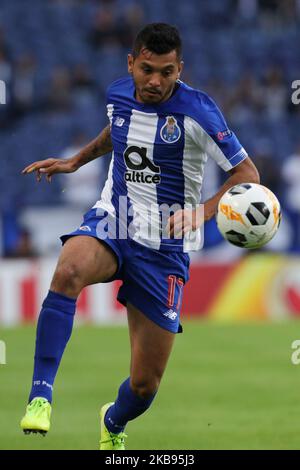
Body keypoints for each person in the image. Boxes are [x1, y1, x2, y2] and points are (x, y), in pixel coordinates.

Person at [20, 23, 259, 450]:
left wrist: (201, 213)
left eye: (167, 72)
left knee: (145, 385)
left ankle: (112, 421)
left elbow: (247, 174)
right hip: (115, 221)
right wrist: (76, 161)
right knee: (69, 268)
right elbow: (118, 130)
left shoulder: (199, 112)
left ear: (179, 69)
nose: (155, 81)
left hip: (165, 249)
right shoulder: (117, 94)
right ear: (131, 64)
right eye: (147, 69)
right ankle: (41, 395)